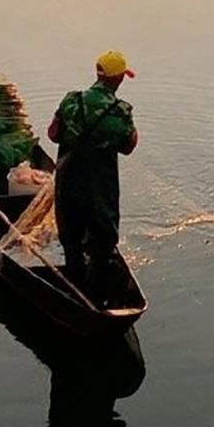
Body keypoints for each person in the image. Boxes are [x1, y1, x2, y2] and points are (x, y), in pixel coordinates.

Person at [48, 51, 139, 302]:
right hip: (101, 189)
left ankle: (75, 289)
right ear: (119, 78)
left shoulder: (71, 100)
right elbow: (129, 147)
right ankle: (96, 296)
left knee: (71, 239)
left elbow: (53, 134)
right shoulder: (120, 111)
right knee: (102, 242)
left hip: (68, 182)